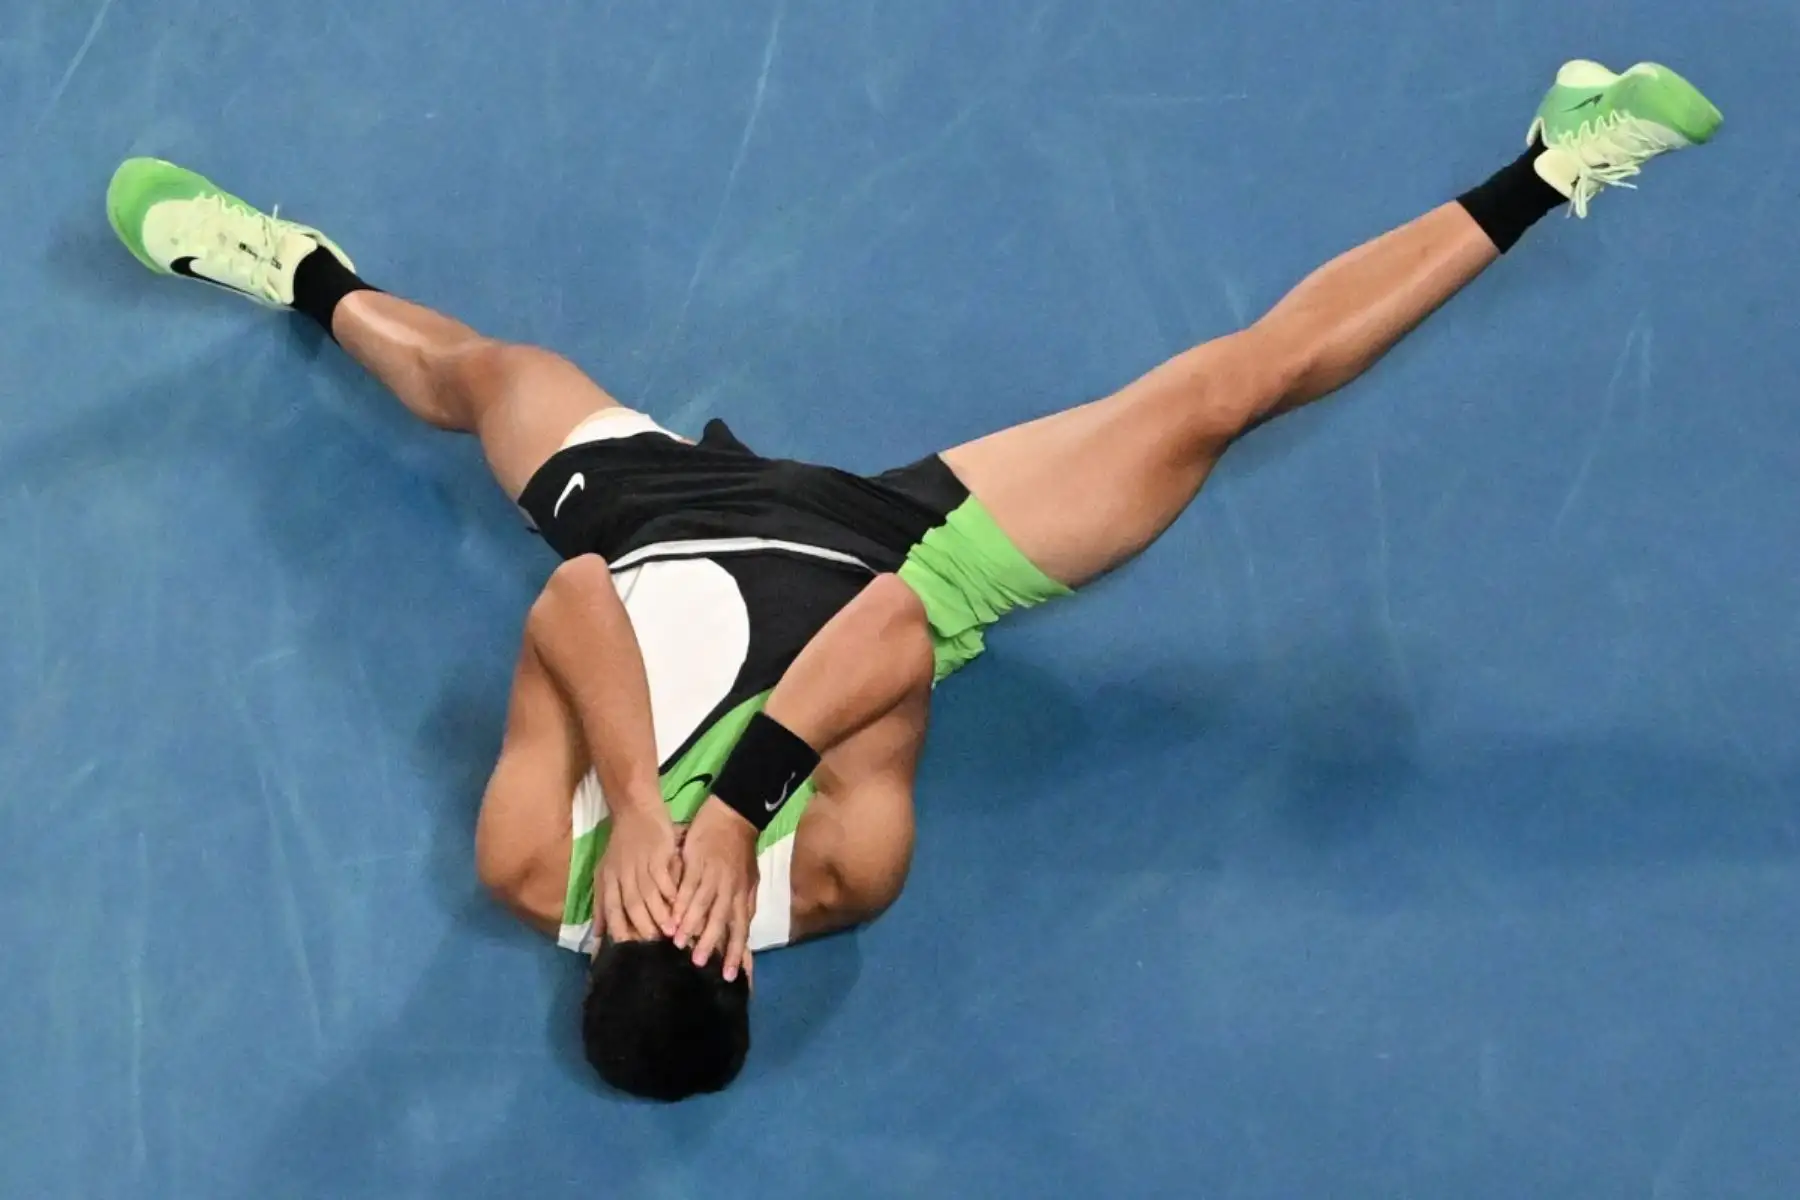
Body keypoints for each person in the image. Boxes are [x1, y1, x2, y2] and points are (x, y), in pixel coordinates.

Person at [106, 58, 1720, 1100]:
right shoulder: (848, 877)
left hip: (657, 515)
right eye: (696, 927)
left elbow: (576, 598)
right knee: (1228, 392)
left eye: (629, 919)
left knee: (489, 372)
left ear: (592, 936)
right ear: (742, 959)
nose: (663, 911)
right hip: (911, 553)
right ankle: (1555, 165)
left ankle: (299, 272)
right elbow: (886, 627)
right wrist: (745, 808)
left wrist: (649, 806)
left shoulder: (539, 865)